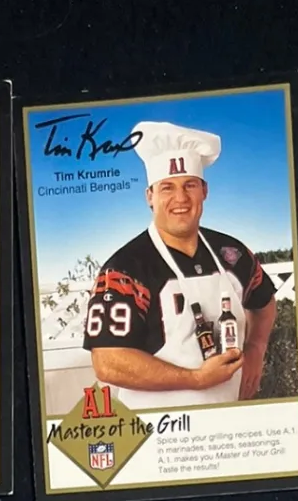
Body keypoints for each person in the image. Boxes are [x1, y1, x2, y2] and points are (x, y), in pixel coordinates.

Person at [83, 122, 277, 410]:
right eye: (167, 188)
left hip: (229, 415)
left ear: (204, 191)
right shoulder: (125, 268)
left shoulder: (232, 253)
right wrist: (197, 379)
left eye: (190, 185)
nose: (181, 198)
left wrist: (256, 349)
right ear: (150, 196)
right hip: (156, 424)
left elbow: (264, 301)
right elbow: (108, 362)